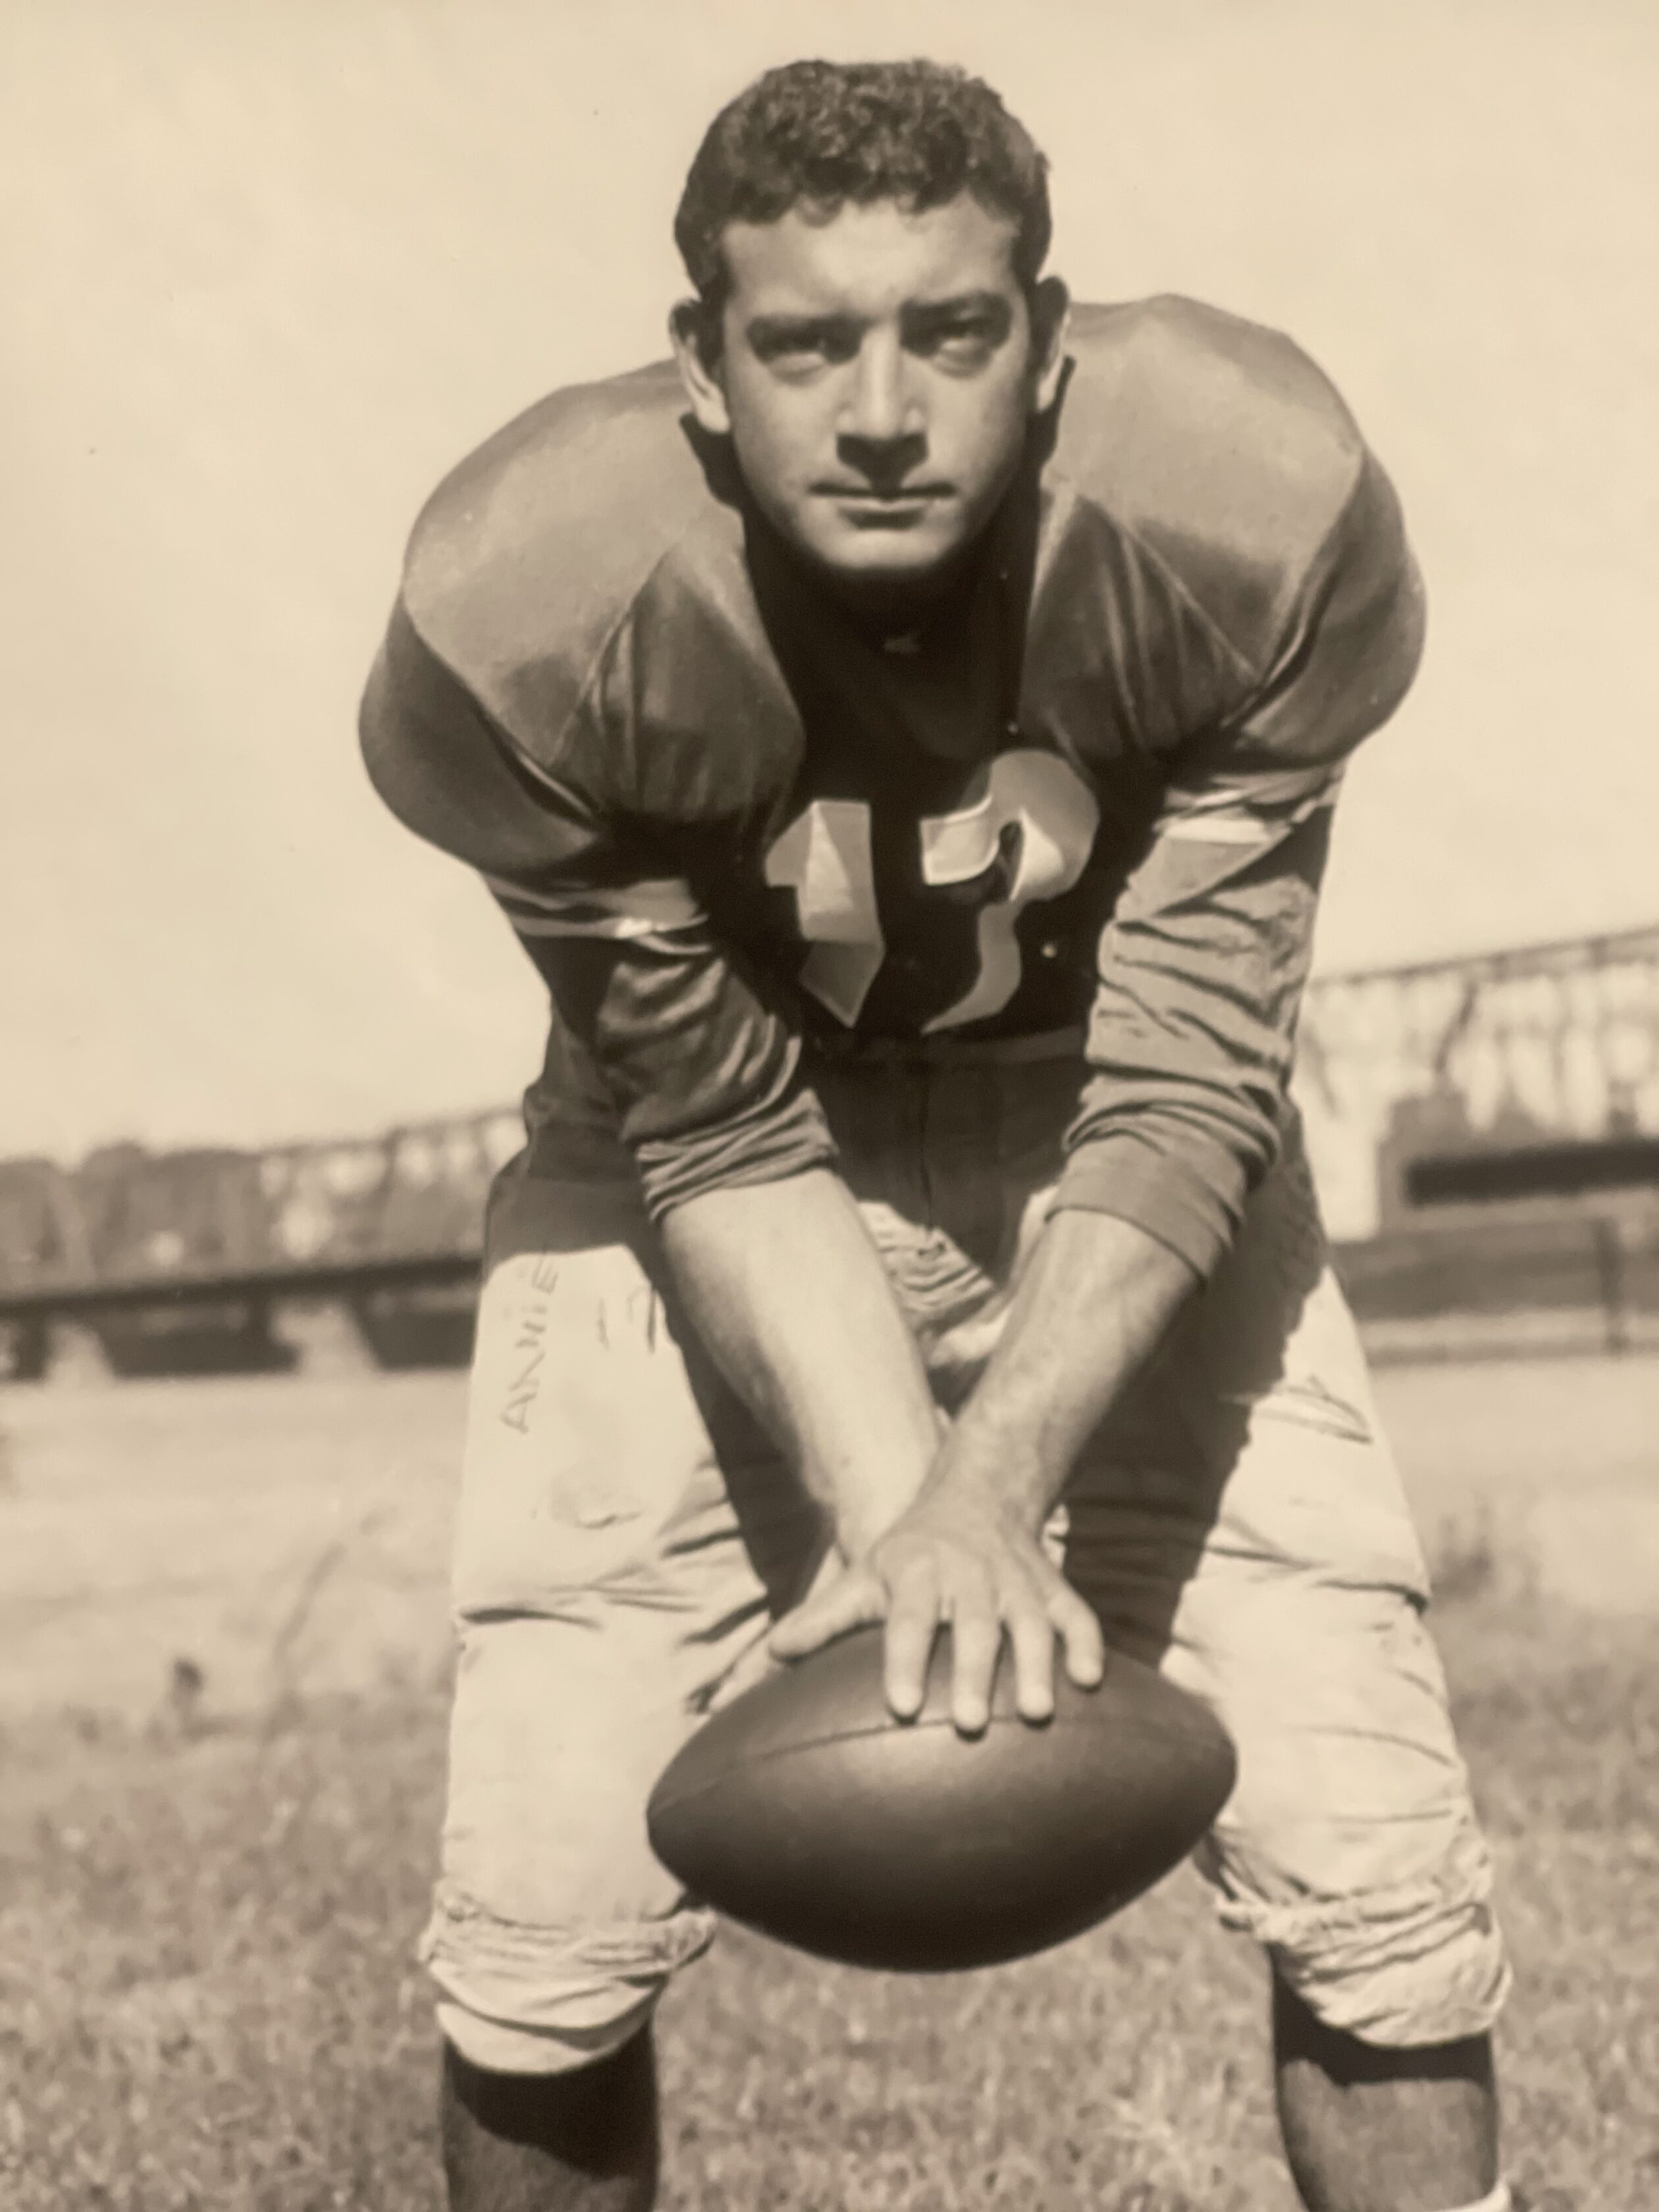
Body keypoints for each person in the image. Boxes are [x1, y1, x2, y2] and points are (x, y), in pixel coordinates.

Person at [361, 58, 1512, 2212]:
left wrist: (992, 1489)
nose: (880, 410)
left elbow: (1188, 1071)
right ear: (700, 364)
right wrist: (917, 1519)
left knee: (1379, 1863)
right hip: (681, 1161)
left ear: (1050, 345)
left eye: (949, 333)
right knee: (544, 1924)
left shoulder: (1245, 503)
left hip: (1112, 1123)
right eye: (803, 342)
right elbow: (711, 1120)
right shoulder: (529, 605)